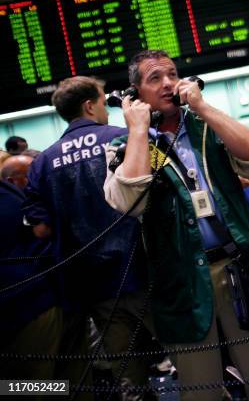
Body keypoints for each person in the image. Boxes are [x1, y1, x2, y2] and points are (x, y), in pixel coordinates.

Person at [103, 50, 249, 401]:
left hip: (239, 271)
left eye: (172, 74)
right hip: (182, 282)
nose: (168, 83)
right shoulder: (125, 146)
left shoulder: (208, 125)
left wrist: (204, 108)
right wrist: (138, 128)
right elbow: (127, 199)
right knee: (201, 391)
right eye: (154, 78)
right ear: (134, 93)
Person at [22, 76, 153, 400]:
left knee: (129, 379)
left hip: (95, 287)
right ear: (90, 105)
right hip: (147, 272)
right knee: (191, 358)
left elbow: (40, 228)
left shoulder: (42, 162)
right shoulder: (125, 137)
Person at [0, 155, 61, 388]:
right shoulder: (10, 196)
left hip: (28, 306)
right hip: (27, 304)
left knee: (37, 385)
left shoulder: (8, 196)